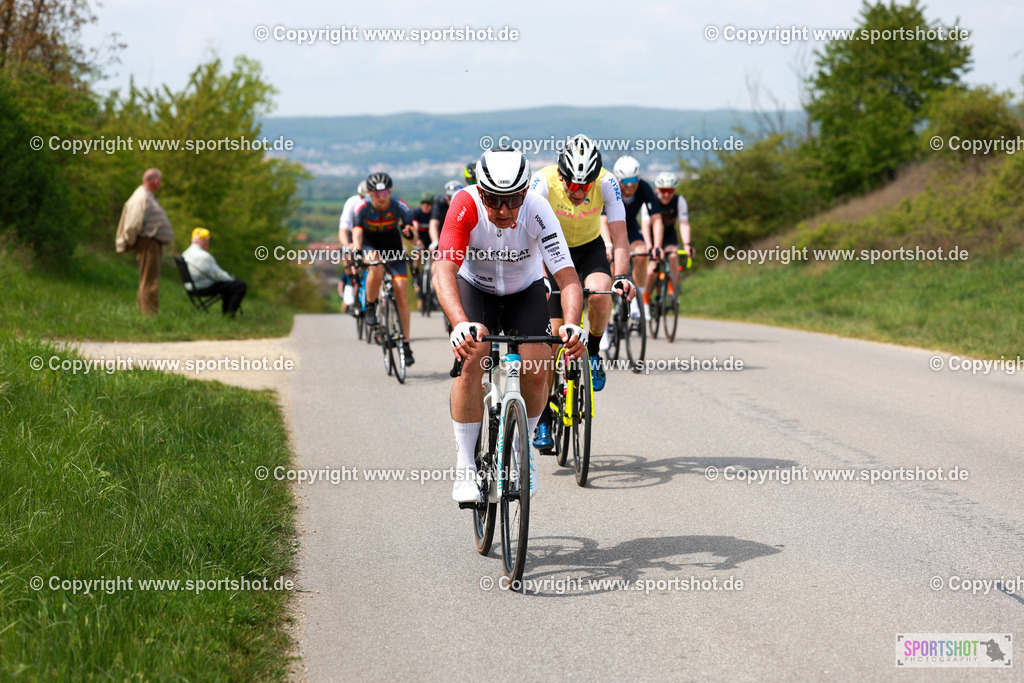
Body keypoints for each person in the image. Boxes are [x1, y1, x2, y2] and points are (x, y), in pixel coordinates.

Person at [434, 146, 586, 503]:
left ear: (524, 194)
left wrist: (574, 324)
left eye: (512, 200)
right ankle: (465, 466)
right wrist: (458, 323)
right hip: (475, 290)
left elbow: (568, 278)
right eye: (493, 200)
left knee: (538, 362)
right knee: (475, 354)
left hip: (525, 290)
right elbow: (443, 269)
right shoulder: (465, 204)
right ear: (481, 190)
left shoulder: (537, 208)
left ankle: (523, 449)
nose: (503, 211)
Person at [528, 134, 637, 450]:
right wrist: (538, 276)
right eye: (573, 185)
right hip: (550, 252)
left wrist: (622, 275)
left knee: (602, 293)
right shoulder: (542, 182)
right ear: (561, 175)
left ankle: (592, 351)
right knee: (553, 337)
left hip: (589, 249)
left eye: (585, 186)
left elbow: (619, 237)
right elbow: (528, 233)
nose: (579, 192)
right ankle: (545, 416)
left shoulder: (607, 183)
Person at [351, 172, 416, 364]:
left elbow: (412, 234)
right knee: (375, 266)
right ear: (370, 193)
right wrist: (356, 249)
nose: (381, 197)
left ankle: (405, 343)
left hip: (393, 248)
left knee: (401, 293)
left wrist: (409, 233)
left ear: (390, 191)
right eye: (376, 193)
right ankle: (370, 306)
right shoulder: (362, 207)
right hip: (370, 246)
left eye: (384, 193)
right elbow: (357, 233)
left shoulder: (399, 206)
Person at [611, 155, 663, 319]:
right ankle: (614, 300)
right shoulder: (611, 188)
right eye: (626, 181)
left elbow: (657, 220)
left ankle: (637, 298)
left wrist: (657, 246)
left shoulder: (644, 188)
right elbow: (603, 219)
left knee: (641, 254)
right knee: (612, 259)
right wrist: (607, 243)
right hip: (611, 228)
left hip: (631, 227)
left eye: (634, 179)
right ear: (618, 180)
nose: (631, 185)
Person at [116, 168, 174, 314]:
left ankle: (148, 312)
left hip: (152, 243)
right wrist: (129, 241)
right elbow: (132, 224)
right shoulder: (141, 196)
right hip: (148, 243)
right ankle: (149, 314)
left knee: (150, 279)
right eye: (160, 181)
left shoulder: (147, 196)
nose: (160, 184)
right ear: (155, 181)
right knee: (150, 281)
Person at [181, 228, 247, 315]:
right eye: (208, 240)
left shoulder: (185, 254)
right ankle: (229, 313)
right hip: (203, 288)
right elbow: (218, 275)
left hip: (191, 287)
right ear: (204, 241)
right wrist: (231, 279)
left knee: (227, 285)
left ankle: (226, 312)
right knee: (240, 285)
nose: (208, 243)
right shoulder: (204, 256)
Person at [648, 171, 694, 294]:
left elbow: (683, 224)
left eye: (670, 191)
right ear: (657, 189)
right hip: (652, 237)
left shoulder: (679, 201)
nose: (667, 194)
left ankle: (672, 287)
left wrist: (687, 244)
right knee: (652, 266)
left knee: (673, 256)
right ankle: (645, 300)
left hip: (669, 236)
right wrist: (649, 247)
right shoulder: (651, 201)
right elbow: (645, 225)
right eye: (663, 191)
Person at [338, 180, 368, 310]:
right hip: (352, 233)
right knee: (349, 257)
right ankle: (350, 283)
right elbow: (343, 230)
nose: (363, 200)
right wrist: (346, 245)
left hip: (370, 234)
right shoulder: (351, 203)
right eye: (361, 197)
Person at [427, 179, 462, 245]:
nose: (452, 199)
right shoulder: (440, 203)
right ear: (446, 196)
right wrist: (435, 242)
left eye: (455, 197)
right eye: (450, 197)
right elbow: (433, 223)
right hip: (444, 238)